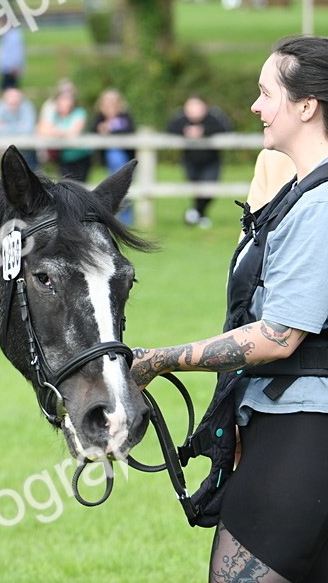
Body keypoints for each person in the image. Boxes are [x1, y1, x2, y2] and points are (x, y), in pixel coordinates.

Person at [131, 35, 328, 582]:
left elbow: (279, 336)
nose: (256, 107)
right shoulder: (300, 190)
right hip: (287, 423)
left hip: (304, 433)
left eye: (266, 94)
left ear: (306, 106)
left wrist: (158, 360)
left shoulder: (321, 205)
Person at [166, 94, 233, 228]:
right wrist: (186, 132)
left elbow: (227, 129)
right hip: (190, 160)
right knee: (196, 190)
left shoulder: (214, 116)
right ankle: (200, 215)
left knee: (209, 189)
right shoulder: (180, 117)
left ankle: (195, 213)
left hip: (211, 160)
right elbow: (169, 129)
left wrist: (203, 131)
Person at [92, 88, 135, 223]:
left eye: (113, 103)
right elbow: (92, 130)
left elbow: (130, 131)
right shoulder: (99, 118)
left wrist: (110, 131)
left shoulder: (125, 117)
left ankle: (126, 221)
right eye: (107, 103)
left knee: (122, 189)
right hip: (108, 161)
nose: (110, 106)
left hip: (124, 160)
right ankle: (115, 220)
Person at [37, 80, 93, 181]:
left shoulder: (79, 112)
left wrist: (54, 131)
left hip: (79, 156)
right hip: (63, 158)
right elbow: (41, 130)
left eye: (68, 100)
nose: (66, 103)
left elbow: (74, 132)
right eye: (63, 99)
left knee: (80, 188)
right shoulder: (52, 113)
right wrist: (61, 132)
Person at [0, 85, 37, 168]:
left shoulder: (27, 106)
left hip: (25, 145)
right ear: (5, 98)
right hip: (4, 144)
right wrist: (18, 126)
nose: (14, 100)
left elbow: (28, 129)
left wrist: (6, 126)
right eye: (11, 98)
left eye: (16, 97)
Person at [0, 24, 26, 90]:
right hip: (6, 68)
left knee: (10, 90)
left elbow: (17, 52)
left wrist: (15, 66)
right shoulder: (7, 34)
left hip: (11, 69)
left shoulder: (15, 35)